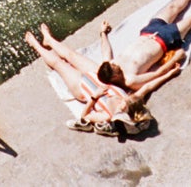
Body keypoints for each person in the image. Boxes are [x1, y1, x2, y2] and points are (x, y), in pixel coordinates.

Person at [23, 28, 165, 136]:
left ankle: (36, 46)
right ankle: (49, 40)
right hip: (97, 77)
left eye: (121, 114)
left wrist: (94, 97)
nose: (121, 108)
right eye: (125, 111)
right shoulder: (129, 100)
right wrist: (170, 70)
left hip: (83, 88)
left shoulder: (107, 115)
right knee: (71, 55)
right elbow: (149, 86)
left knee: (59, 64)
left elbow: (85, 116)